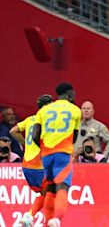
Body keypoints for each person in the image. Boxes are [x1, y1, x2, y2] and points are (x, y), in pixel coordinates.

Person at [32, 83, 81, 227]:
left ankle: (47, 222)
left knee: (50, 189)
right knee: (62, 188)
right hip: (63, 153)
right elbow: (75, 135)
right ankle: (57, 219)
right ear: (69, 94)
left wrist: (43, 149)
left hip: (46, 155)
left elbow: (35, 135)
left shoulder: (44, 110)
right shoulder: (75, 110)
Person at [9, 94, 53, 226]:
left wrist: (25, 144)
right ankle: (31, 217)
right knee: (52, 193)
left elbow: (13, 131)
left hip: (26, 166)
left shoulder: (30, 119)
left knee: (45, 194)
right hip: (38, 166)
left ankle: (29, 216)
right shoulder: (47, 122)